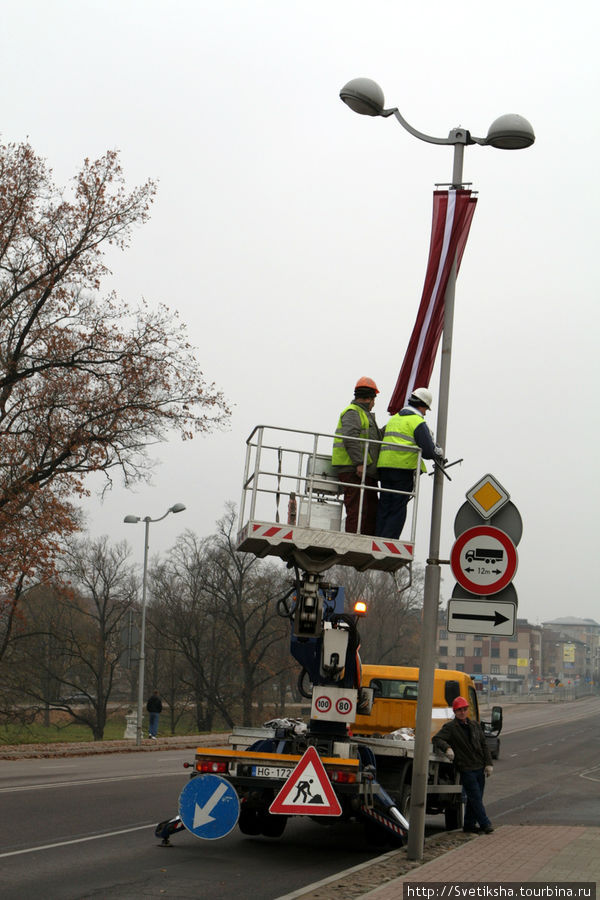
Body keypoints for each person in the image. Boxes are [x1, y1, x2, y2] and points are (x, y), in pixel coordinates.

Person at [375, 387, 445, 539]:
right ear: (423, 406)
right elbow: (428, 451)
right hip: (403, 469)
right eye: (426, 409)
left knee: (385, 505)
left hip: (385, 468)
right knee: (398, 507)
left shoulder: (394, 419)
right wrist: (438, 451)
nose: (426, 413)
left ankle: (378, 536)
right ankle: (388, 541)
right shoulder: (417, 422)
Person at [432, 696, 494, 834]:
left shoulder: (475, 725)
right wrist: (447, 748)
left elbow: (484, 745)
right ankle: (485, 823)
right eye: (459, 710)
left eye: (465, 709)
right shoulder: (450, 727)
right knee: (476, 797)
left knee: (474, 799)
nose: (462, 712)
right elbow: (437, 738)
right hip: (466, 768)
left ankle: (469, 825)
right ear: (455, 711)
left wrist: (488, 764)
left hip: (479, 767)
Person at [331, 377, 382, 535]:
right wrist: (359, 463)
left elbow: (373, 438)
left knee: (370, 509)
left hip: (365, 471)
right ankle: (353, 540)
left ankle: (366, 540)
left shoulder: (364, 415)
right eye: (374, 399)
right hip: (353, 469)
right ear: (368, 398)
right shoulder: (352, 413)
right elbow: (350, 438)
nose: (374, 403)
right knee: (357, 510)